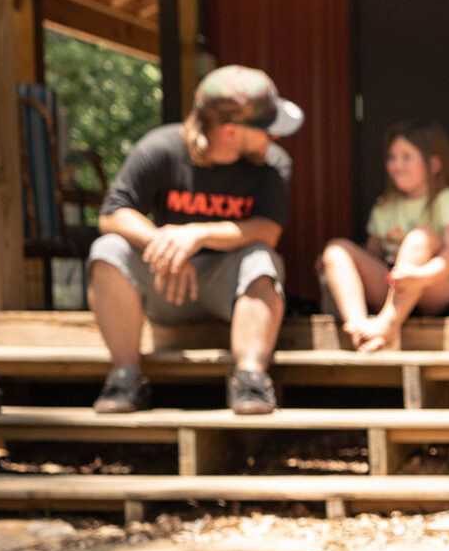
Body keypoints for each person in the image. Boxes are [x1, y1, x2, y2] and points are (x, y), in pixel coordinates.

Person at [88, 65, 301, 415]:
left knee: (262, 259)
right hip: (166, 283)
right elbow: (112, 214)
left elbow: (268, 230)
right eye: (265, 129)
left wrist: (195, 234)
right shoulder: (160, 148)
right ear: (230, 132)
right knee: (107, 250)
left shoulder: (274, 164)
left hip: (227, 287)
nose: (273, 137)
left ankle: (249, 379)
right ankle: (125, 377)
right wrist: (166, 244)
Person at [318, 119, 449, 352]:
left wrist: (420, 276)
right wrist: (332, 267)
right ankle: (358, 327)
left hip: (440, 290)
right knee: (336, 250)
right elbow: (371, 258)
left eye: (406, 157)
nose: (396, 165)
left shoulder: (447, 201)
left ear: (433, 165)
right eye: (392, 157)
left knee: (420, 237)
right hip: (395, 291)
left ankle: (388, 323)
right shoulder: (384, 206)